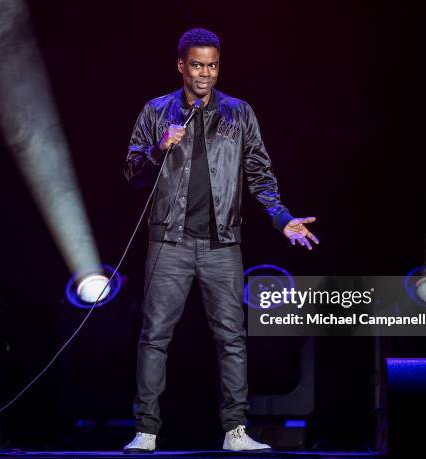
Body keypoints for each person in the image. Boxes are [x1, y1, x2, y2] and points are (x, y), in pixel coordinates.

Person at [123, 28, 319, 453]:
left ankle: (235, 431)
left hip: (221, 244)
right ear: (181, 65)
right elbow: (132, 172)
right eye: (197, 65)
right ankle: (146, 430)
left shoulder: (239, 113)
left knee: (231, 337)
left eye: (212, 66)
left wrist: (282, 218)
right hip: (168, 243)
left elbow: (260, 174)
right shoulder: (156, 111)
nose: (205, 74)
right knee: (155, 336)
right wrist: (158, 149)